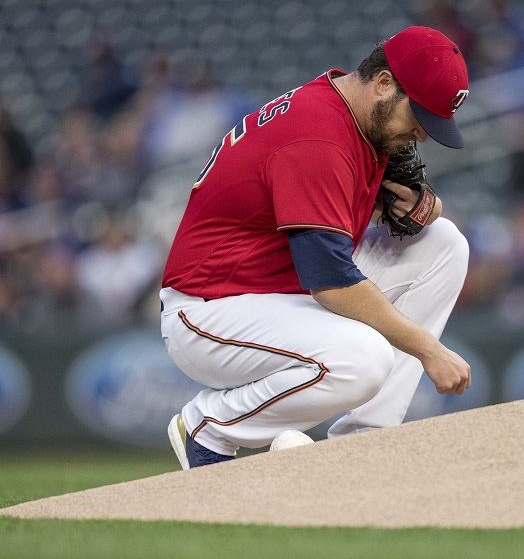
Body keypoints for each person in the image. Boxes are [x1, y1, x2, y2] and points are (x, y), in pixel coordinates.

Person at [160, 26, 472, 469]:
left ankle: (364, 441)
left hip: (278, 291)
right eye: (419, 117)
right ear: (384, 82)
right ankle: (210, 425)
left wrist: (428, 207)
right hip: (210, 310)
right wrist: (428, 349)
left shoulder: (355, 117)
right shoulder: (319, 135)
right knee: (362, 359)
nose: (422, 135)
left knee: (444, 245)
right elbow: (331, 282)